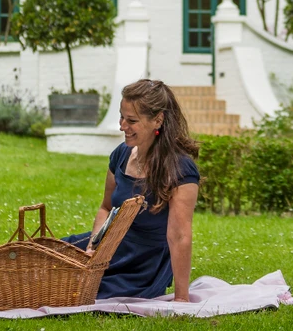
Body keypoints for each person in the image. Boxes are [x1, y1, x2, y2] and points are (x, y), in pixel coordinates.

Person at [63, 79, 201, 301]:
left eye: (131, 120)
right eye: (121, 117)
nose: (122, 126)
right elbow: (106, 208)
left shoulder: (180, 169)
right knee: (38, 259)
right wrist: (93, 249)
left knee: (70, 290)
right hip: (106, 247)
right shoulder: (121, 154)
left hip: (139, 266)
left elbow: (179, 236)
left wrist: (181, 298)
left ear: (158, 120)